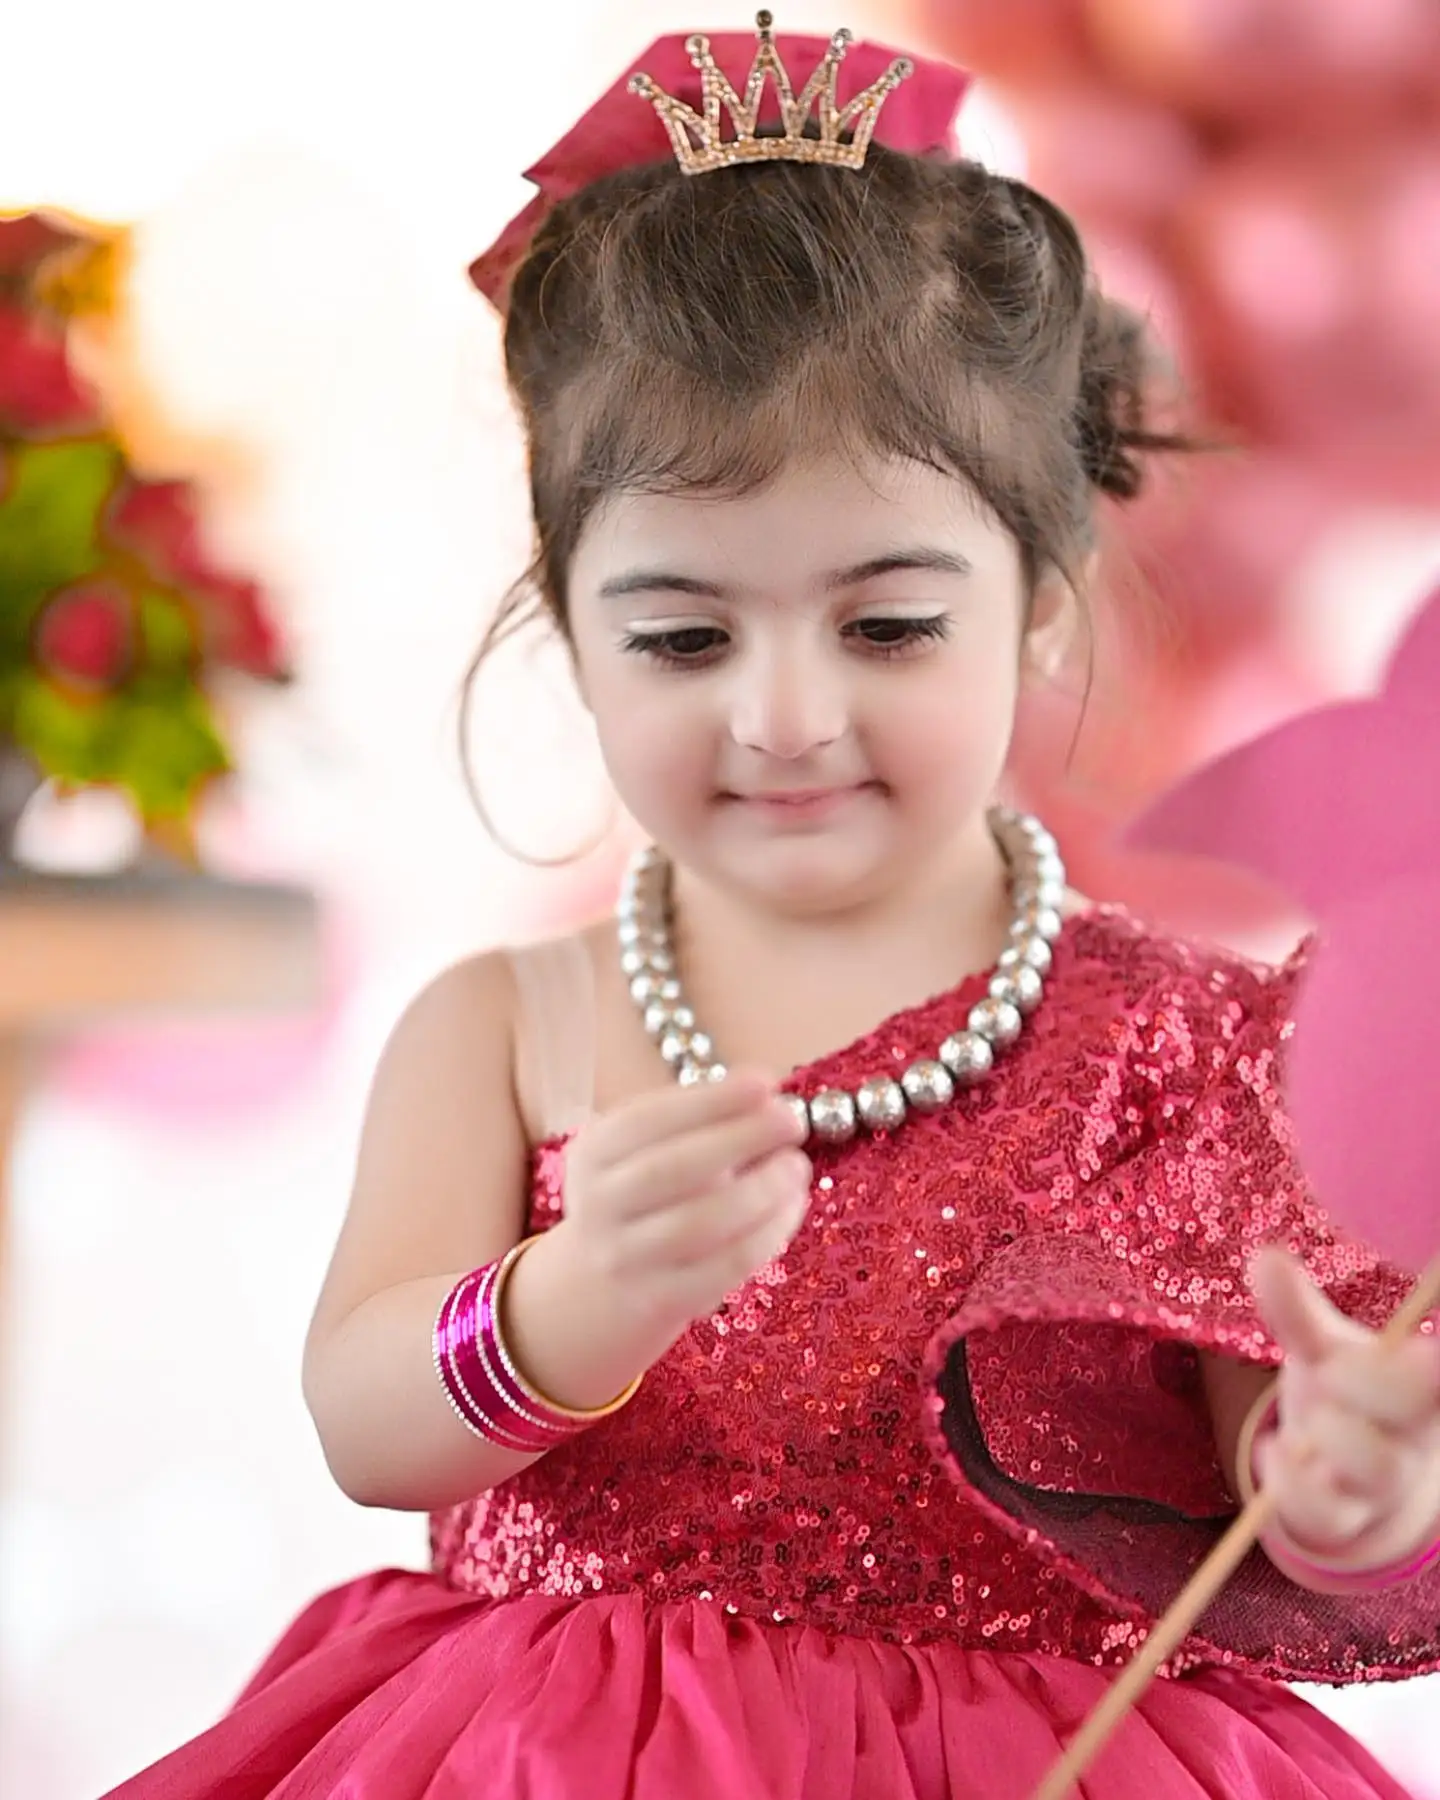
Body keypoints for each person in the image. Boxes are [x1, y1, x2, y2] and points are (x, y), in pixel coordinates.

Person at [107, 15, 1440, 1799]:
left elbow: (1255, 1485)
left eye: (888, 626)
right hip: (548, 1756)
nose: (788, 717)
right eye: (682, 637)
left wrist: (1349, 1490)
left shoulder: (1194, 1048)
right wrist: (560, 1305)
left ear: (1042, 604)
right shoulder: (511, 1029)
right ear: (571, 632)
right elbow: (366, 1425)